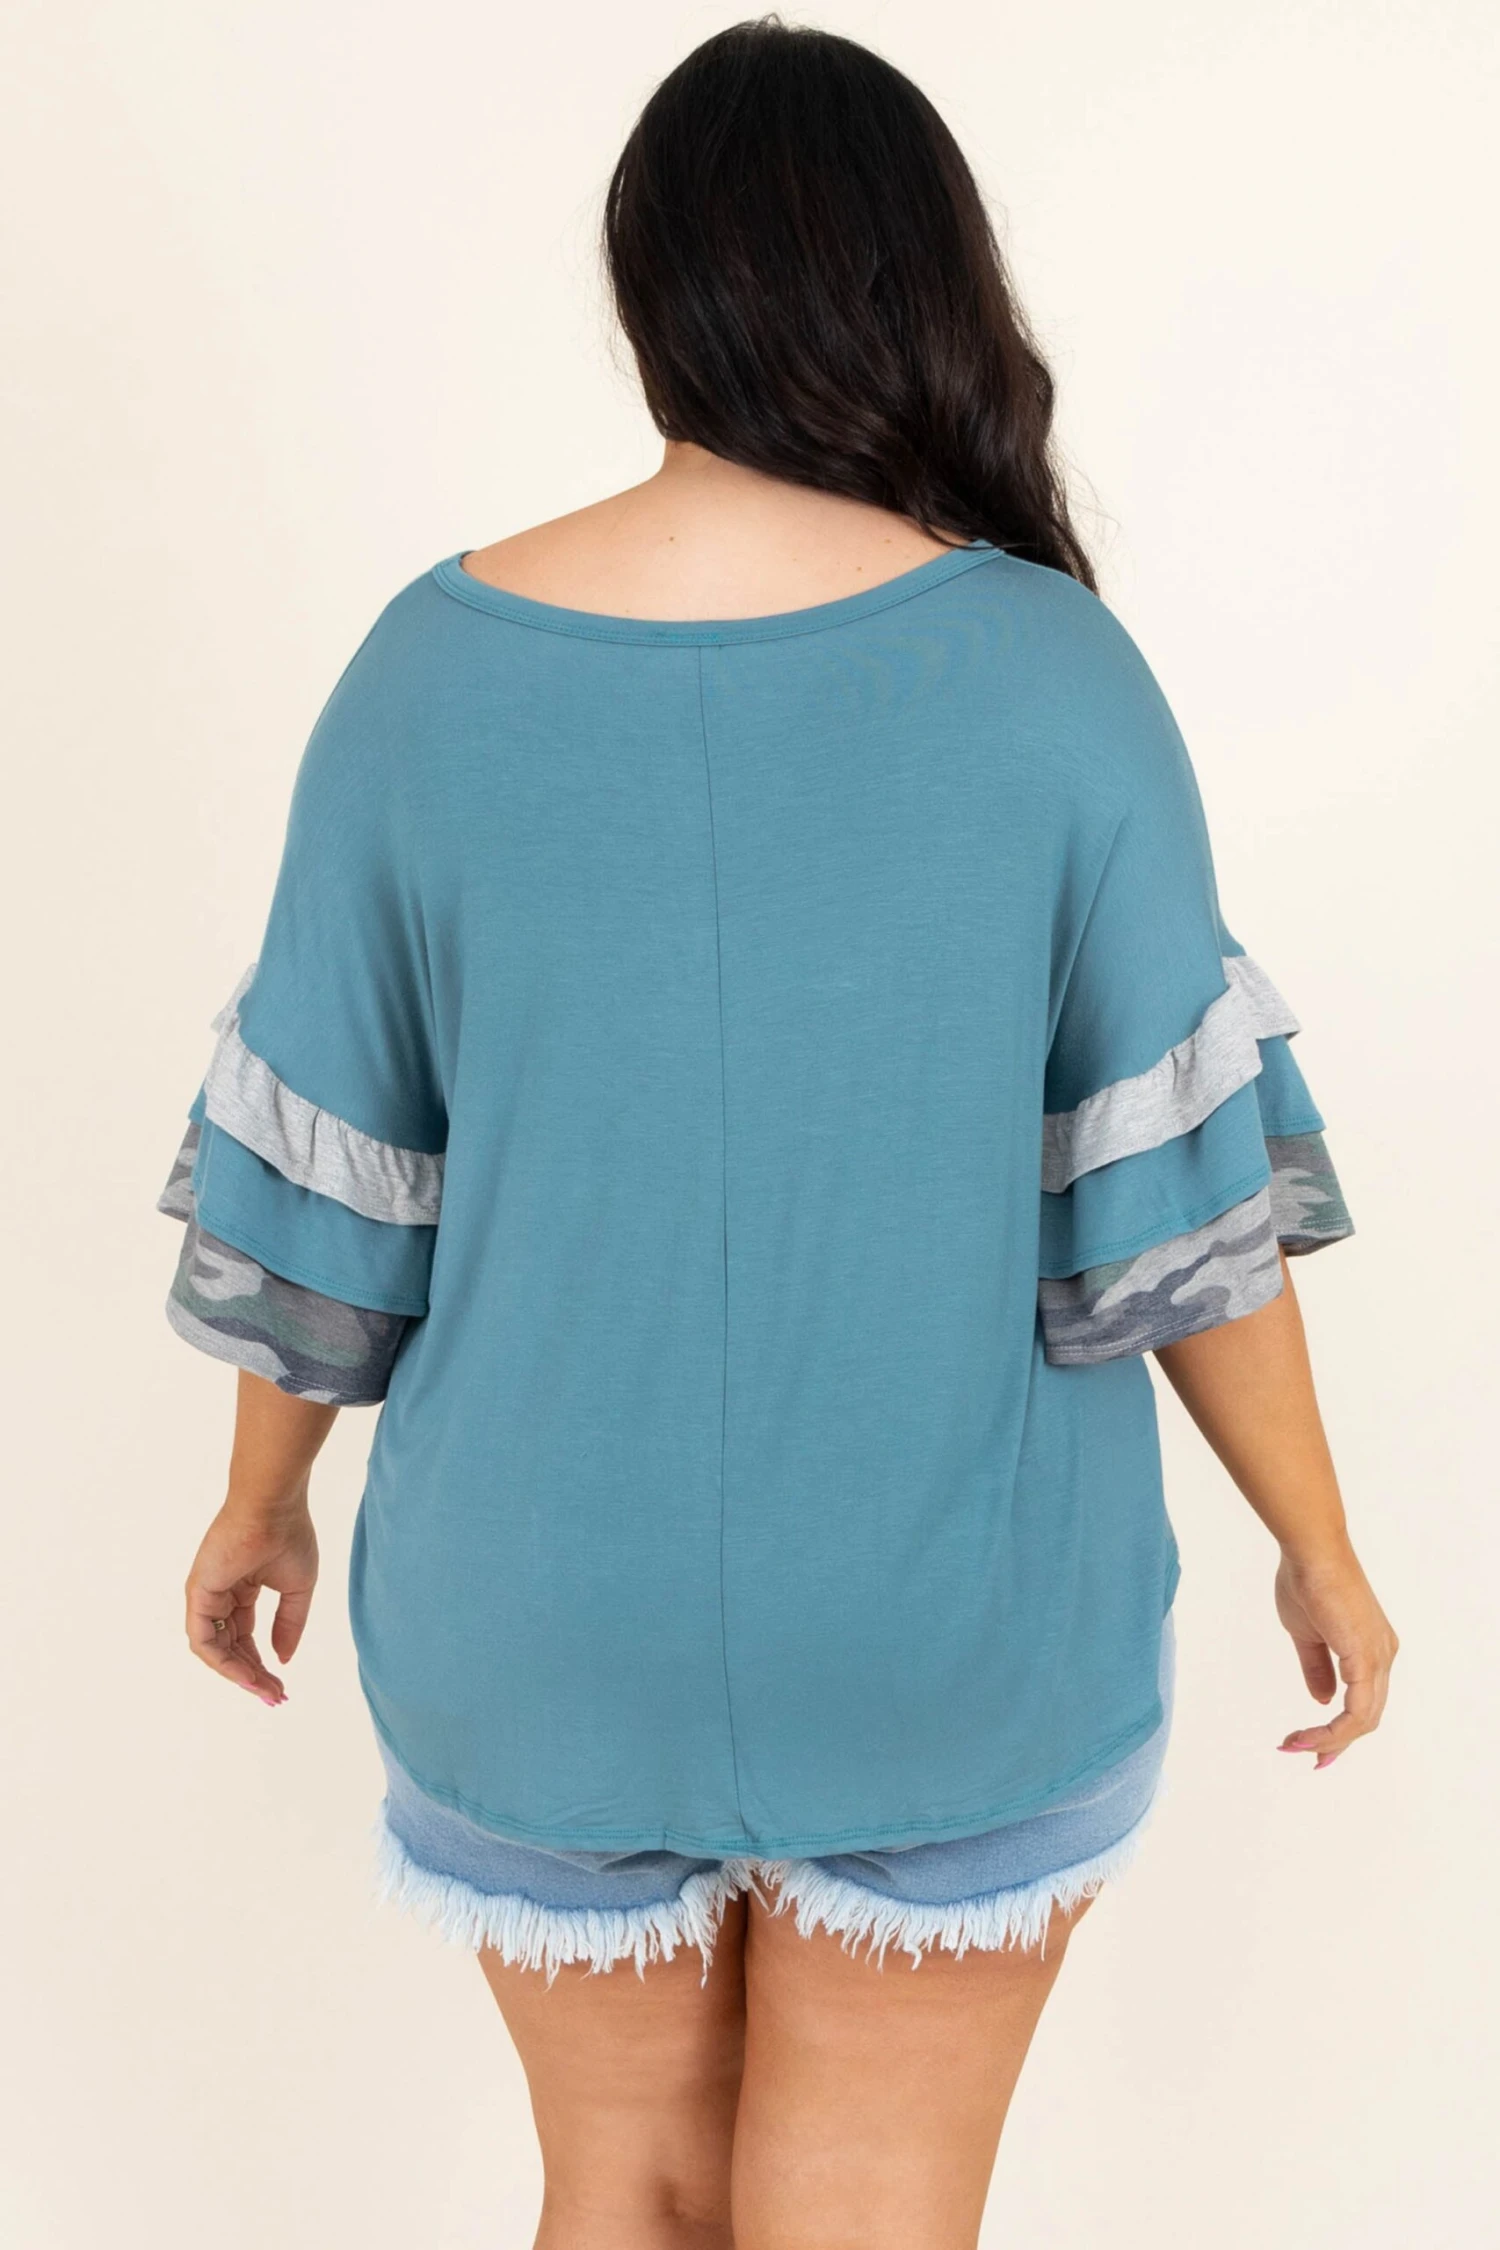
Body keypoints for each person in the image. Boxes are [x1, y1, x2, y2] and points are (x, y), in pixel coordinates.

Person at [158, 18, 1397, 2248]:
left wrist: (262, 1502)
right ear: (930, 280)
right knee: (872, 2200)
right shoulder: (1055, 675)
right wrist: (1318, 1540)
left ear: (655, 290)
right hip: (952, 1624)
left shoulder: (420, 676)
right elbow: (1177, 1201)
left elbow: (334, 1181)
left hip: (539, 1618)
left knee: (618, 2184)